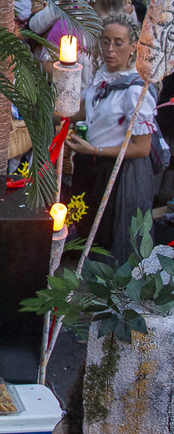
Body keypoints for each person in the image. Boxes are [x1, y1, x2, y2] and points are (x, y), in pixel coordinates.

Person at [67, 17, 156, 263]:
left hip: (116, 173)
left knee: (107, 237)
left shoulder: (136, 89)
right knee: (85, 229)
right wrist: (51, 115)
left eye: (118, 43)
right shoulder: (103, 75)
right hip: (90, 165)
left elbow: (142, 148)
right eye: (105, 42)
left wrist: (95, 149)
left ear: (133, 47)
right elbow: (89, 111)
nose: (110, 50)